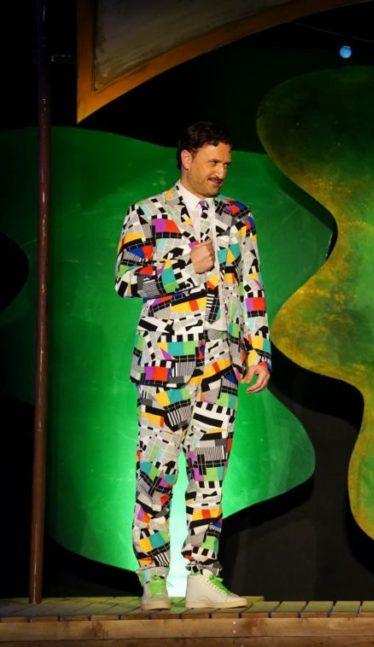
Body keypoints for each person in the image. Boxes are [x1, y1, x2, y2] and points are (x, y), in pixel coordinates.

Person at [115, 121, 272, 610]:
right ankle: (153, 578)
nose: (221, 171)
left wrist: (259, 349)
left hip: (221, 363)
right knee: (156, 473)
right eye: (212, 162)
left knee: (209, 476)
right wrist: (186, 267)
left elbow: (252, 286)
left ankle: (203, 576)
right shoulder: (147, 212)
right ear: (186, 159)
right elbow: (126, 281)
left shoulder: (238, 216)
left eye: (226, 163)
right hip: (165, 364)